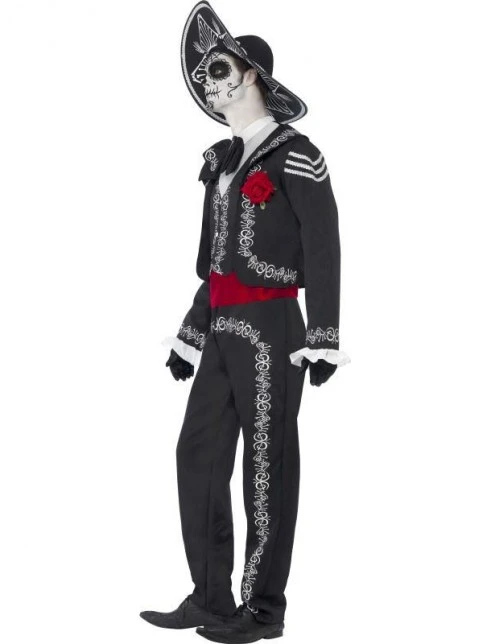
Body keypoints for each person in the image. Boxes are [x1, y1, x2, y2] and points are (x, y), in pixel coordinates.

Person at [140, 2, 350, 642]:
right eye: (205, 74)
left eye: (220, 70)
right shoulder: (221, 162)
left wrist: (323, 336)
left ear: (253, 74)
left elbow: (323, 246)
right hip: (224, 329)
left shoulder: (297, 155)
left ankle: (262, 609)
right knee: (197, 453)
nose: (209, 83)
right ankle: (209, 598)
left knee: (267, 464)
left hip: (273, 331)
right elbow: (216, 265)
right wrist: (190, 334)